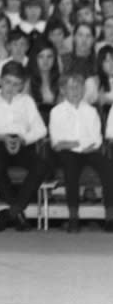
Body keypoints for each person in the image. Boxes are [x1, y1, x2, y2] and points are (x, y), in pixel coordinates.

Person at [0, 61, 49, 231]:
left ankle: (10, 213)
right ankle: (17, 213)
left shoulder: (26, 101)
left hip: (22, 143)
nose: (11, 88)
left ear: (21, 85)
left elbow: (41, 129)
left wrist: (24, 139)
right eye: (7, 82)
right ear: (0, 80)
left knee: (41, 165)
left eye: (16, 84)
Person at [49, 72, 113, 233]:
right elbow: (56, 142)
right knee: (70, 169)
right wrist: (74, 144)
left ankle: (110, 217)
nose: (76, 91)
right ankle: (73, 217)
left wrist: (73, 143)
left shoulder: (90, 111)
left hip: (90, 150)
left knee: (108, 168)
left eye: (79, 87)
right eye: (71, 87)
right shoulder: (56, 111)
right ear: (63, 90)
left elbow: (97, 138)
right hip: (67, 153)